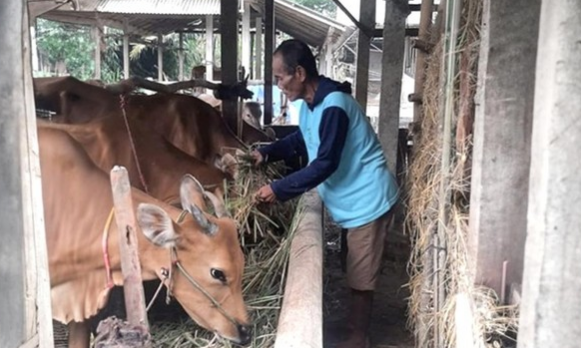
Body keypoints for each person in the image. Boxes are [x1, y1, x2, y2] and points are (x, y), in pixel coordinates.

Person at [252, 39, 399, 348]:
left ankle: (358, 338)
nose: (278, 84)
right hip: (352, 202)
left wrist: (278, 189)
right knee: (353, 265)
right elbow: (300, 141)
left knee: (361, 274)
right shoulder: (310, 104)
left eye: (280, 77)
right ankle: (351, 328)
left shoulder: (335, 106)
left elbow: (325, 163)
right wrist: (266, 154)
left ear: (300, 73)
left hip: (368, 200)